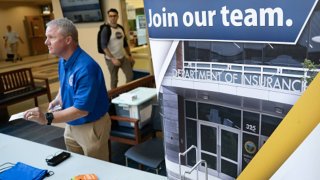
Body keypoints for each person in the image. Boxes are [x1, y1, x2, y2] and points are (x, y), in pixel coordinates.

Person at [23, 18, 111, 161]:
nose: (46, 42)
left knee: (97, 171)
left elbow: (81, 110)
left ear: (68, 40)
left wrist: (47, 118)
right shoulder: (63, 60)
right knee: (77, 165)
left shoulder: (86, 68)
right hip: (71, 125)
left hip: (90, 127)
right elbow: (65, 83)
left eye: (51, 37)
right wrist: (59, 97)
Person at [101, 8, 135, 89]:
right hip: (111, 59)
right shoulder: (106, 30)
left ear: (117, 16)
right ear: (108, 17)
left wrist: (129, 55)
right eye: (110, 16)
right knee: (114, 80)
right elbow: (103, 46)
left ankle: (127, 94)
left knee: (130, 76)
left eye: (114, 16)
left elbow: (125, 43)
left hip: (122, 57)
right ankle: (113, 99)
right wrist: (113, 58)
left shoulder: (120, 28)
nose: (112, 18)